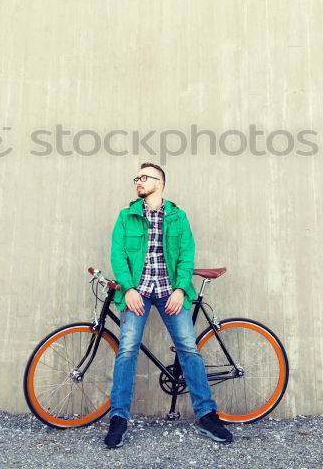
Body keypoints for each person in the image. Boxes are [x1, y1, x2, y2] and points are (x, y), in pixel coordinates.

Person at [103, 162, 233, 448]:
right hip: (138, 292)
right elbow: (118, 254)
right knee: (126, 350)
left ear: (159, 183)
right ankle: (118, 418)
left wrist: (179, 289)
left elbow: (187, 256)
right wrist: (128, 290)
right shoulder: (126, 216)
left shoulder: (178, 217)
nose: (138, 181)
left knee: (188, 349)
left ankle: (207, 415)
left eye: (144, 177)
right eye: (136, 177)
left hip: (169, 292)